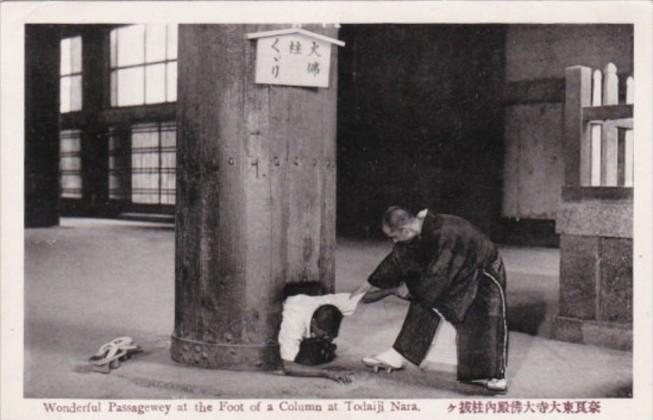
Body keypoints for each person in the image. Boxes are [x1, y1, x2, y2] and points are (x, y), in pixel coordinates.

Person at [354, 206, 509, 392]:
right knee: (426, 298)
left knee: (481, 319)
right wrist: (364, 287)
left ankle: (492, 374)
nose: (393, 241)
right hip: (455, 270)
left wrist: (406, 290)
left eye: (394, 236)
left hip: (484, 273)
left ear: (405, 230)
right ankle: (399, 354)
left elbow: (438, 276)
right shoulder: (417, 231)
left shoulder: (447, 233)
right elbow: (396, 259)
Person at [278, 281, 364, 384]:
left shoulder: (334, 303)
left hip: (306, 298)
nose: (329, 338)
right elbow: (287, 366)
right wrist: (326, 373)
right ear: (314, 323)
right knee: (309, 356)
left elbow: (363, 297)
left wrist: (388, 289)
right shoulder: (293, 322)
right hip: (291, 303)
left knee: (322, 348)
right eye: (324, 334)